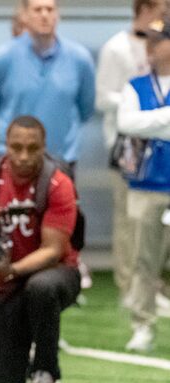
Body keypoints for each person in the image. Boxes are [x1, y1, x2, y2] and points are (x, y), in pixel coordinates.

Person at [0, 116, 80, 383]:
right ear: (6, 145)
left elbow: (53, 250)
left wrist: (11, 269)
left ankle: (45, 375)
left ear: (44, 148)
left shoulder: (58, 184)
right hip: (3, 283)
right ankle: (21, 349)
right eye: (16, 147)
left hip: (55, 273)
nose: (24, 156)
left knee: (40, 288)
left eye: (32, 148)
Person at [97, 0, 167, 307]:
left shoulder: (163, 38)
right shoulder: (117, 48)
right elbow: (102, 98)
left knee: (156, 228)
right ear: (146, 8)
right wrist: (139, 105)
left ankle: (152, 287)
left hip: (161, 151)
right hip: (128, 150)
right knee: (130, 222)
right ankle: (129, 287)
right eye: (162, 6)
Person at [0, 0, 95, 171]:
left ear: (58, 14)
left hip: (61, 159)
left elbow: (86, 108)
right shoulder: (2, 58)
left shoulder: (79, 59)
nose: (44, 15)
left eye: (49, 9)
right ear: (25, 15)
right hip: (12, 160)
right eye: (37, 9)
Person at [117, 15, 170, 353]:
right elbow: (127, 123)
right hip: (146, 186)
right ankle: (142, 324)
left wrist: (150, 124)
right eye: (148, 41)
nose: (151, 47)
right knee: (143, 260)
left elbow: (140, 124)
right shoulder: (135, 86)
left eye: (158, 40)